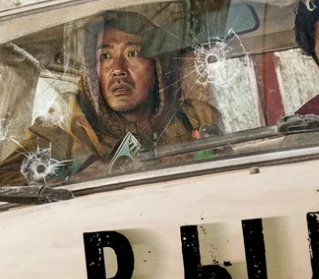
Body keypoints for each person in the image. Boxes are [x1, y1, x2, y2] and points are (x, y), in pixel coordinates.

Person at [0, 11, 220, 185]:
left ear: (158, 66)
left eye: (132, 53)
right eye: (105, 56)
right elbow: (6, 183)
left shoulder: (196, 117)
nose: (118, 70)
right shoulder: (65, 125)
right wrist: (72, 183)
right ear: (93, 71)